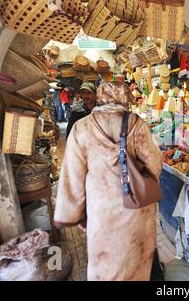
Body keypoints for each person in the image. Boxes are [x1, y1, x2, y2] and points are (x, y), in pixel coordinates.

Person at [53, 81, 162, 281]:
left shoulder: (81, 127)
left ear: (100, 97)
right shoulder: (136, 123)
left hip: (101, 208)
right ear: (124, 97)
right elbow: (154, 163)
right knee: (136, 258)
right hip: (135, 206)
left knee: (106, 261)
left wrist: (75, 213)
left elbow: (72, 175)